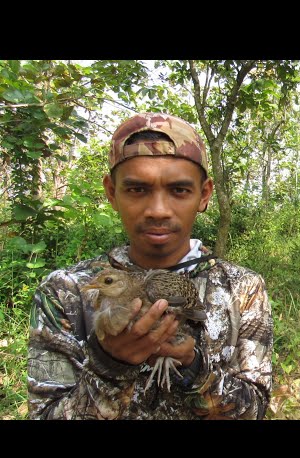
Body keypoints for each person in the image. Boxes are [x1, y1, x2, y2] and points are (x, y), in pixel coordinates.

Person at [27, 112, 273, 419]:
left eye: (179, 190)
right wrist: (110, 366)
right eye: (137, 189)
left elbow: (256, 409)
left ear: (204, 194)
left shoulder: (241, 287)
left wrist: (194, 370)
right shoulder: (66, 292)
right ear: (111, 192)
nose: (158, 210)